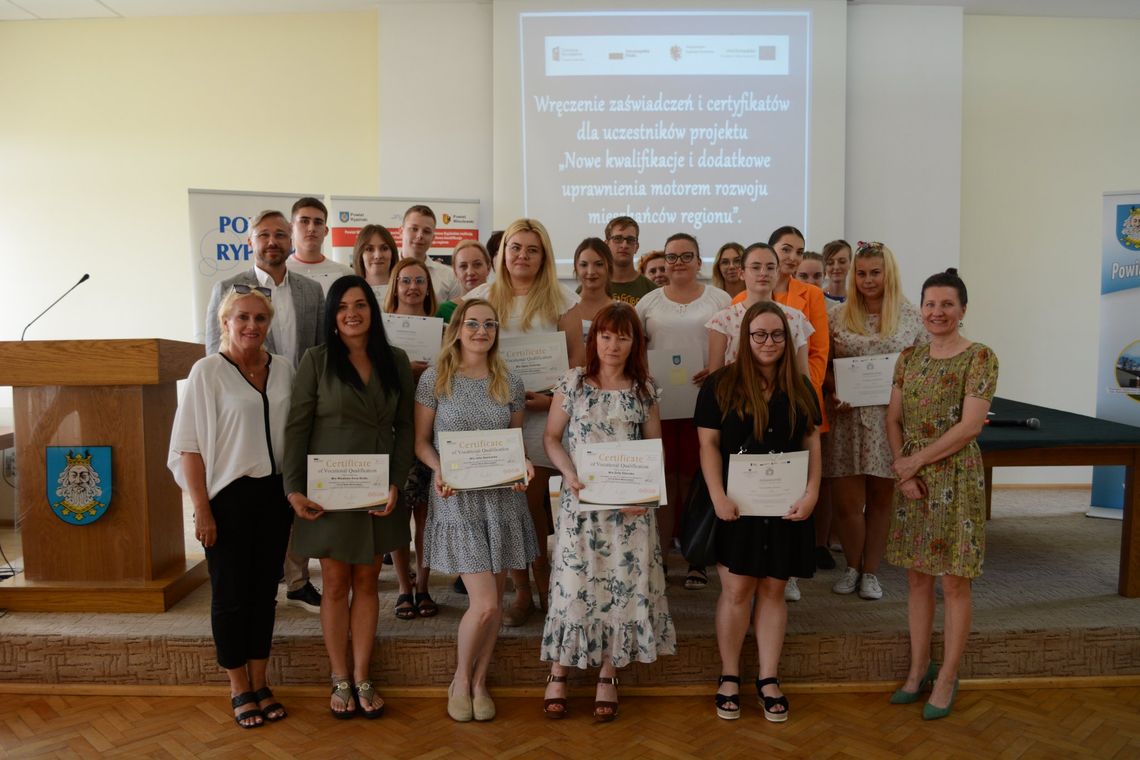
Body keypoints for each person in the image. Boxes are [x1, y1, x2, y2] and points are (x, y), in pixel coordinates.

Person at [283, 275, 414, 720]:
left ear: (373, 312)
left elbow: (406, 428)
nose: (352, 313)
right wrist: (294, 488)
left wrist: (397, 480)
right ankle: (338, 676)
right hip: (329, 492)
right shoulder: (316, 361)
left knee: (367, 583)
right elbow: (296, 428)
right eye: (342, 306)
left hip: (378, 489)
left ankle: (362, 676)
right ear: (331, 316)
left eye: (361, 304)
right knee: (336, 583)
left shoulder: (395, 360)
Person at [541, 303, 675, 722]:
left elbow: (656, 450)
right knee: (573, 582)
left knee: (620, 584)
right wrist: (568, 472)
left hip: (630, 514)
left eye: (622, 336)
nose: (613, 344)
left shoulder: (644, 389)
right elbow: (550, 437)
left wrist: (647, 492)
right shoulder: (573, 382)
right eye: (605, 335)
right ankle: (558, 669)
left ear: (634, 342)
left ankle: (608, 672)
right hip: (579, 504)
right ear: (593, 338)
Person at [169, 285, 294, 729]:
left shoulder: (284, 369)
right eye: (242, 317)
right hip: (227, 499)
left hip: (275, 497)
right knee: (229, 596)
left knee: (264, 594)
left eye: (260, 318)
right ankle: (238, 687)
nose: (251, 326)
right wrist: (201, 509)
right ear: (225, 323)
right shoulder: (207, 372)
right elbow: (189, 448)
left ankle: (261, 682)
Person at [695, 301, 821, 723]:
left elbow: (812, 445)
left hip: (785, 505)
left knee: (772, 590)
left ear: (787, 339)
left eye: (777, 335)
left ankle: (768, 678)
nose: (769, 343)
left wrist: (812, 493)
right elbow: (708, 445)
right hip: (735, 505)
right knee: (736, 591)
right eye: (759, 335)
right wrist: (717, 495)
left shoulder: (802, 387)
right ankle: (729, 675)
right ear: (744, 339)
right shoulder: (720, 385)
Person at [416, 298, 538, 722]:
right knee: (485, 603)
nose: (481, 331)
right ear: (458, 328)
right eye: (473, 323)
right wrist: (438, 470)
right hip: (457, 498)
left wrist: (522, 463)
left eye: (489, 324)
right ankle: (459, 680)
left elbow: (514, 440)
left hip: (502, 499)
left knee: (495, 601)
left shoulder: (510, 380)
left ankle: (481, 680)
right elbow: (420, 443)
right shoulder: (436, 378)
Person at [886, 268, 997, 721]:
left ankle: (948, 675)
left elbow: (970, 427)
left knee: (953, 580)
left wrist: (916, 461)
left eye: (947, 304)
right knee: (916, 577)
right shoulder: (908, 358)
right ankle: (918, 669)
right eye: (930, 304)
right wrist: (903, 468)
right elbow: (892, 419)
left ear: (963, 310)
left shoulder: (981, 357)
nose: (937, 312)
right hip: (912, 480)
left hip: (955, 478)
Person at [464, 218, 585, 626]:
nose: (523, 256)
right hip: (497, 415)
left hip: (549, 413)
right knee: (511, 501)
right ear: (502, 253)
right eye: (516, 247)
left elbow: (578, 363)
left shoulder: (562, 299)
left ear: (544, 256)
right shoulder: (480, 297)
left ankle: (553, 584)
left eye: (532, 250)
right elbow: (464, 357)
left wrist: (551, 399)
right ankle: (522, 591)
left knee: (541, 502)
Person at [204, 209, 324, 614]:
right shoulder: (228, 287)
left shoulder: (311, 291)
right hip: (248, 407)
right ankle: (264, 579)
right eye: (264, 235)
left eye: (280, 234)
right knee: (259, 498)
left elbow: (321, 351)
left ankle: (298, 580)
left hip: (297, 403)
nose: (272, 241)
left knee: (295, 490)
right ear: (250, 242)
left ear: (292, 241)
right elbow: (211, 349)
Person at [825, 243, 927, 601]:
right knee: (846, 502)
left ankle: (871, 572)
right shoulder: (837, 316)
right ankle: (852, 566)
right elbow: (823, 367)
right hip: (847, 420)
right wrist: (831, 391)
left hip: (890, 422)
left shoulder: (910, 316)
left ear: (889, 274)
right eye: (862, 273)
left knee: (882, 499)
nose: (868, 280)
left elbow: (923, 368)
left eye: (875, 273)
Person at [635, 233, 732, 592]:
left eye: (685, 256)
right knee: (663, 479)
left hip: (704, 403)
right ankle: (659, 557)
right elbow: (636, 348)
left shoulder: (718, 298)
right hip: (659, 404)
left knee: (696, 480)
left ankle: (696, 557)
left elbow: (731, 346)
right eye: (671, 256)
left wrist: (716, 369)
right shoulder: (648, 302)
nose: (678, 263)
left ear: (698, 260)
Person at [383, 257, 440, 619]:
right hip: (395, 428)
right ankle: (404, 585)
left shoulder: (442, 329)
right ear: (396, 286)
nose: (413, 287)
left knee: (427, 514)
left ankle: (424, 584)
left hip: (432, 430)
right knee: (399, 512)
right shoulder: (381, 332)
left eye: (420, 280)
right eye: (406, 280)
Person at [706, 243, 812, 376]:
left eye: (770, 267)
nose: (763, 273)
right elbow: (715, 378)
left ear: (777, 272)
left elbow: (803, 376)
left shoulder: (795, 318)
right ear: (742, 273)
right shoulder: (722, 321)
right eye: (756, 267)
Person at [285, 197, 354, 294]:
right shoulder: (279, 272)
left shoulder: (345, 274)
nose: (311, 228)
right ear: (291, 228)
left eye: (318, 222)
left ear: (325, 231)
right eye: (304, 221)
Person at [399, 204, 461, 303]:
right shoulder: (385, 270)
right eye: (414, 229)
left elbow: (454, 317)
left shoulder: (449, 277)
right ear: (401, 231)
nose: (420, 236)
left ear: (433, 238)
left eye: (426, 231)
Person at [571, 237, 616, 343]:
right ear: (576, 268)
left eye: (599, 264)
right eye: (584, 265)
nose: (591, 271)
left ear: (609, 267)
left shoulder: (623, 311)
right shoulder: (564, 311)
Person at [603, 216, 657, 305]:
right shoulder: (591, 287)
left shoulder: (652, 291)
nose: (624, 245)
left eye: (630, 240)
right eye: (617, 238)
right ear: (606, 245)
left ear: (636, 247)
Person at [437, 239, 493, 323]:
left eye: (477, 264)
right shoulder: (443, 311)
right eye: (463, 266)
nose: (470, 272)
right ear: (455, 272)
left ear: (488, 268)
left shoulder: (502, 305)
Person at [351, 224, 399, 303]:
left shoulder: (406, 291)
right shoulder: (350, 292)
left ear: (392, 253)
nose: (378, 256)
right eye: (369, 249)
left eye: (384, 248)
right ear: (360, 255)